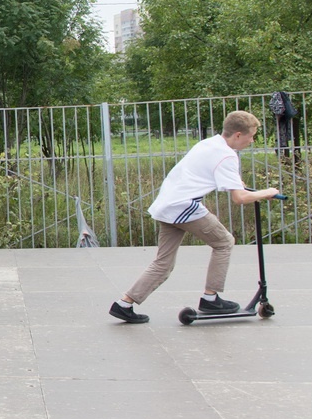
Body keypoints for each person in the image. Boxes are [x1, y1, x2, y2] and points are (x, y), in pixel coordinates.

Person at [109, 111, 280, 324]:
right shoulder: (227, 155)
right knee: (224, 242)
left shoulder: (209, 144)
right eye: (251, 136)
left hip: (168, 204)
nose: (252, 140)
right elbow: (240, 198)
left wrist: (238, 182)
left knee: (163, 263)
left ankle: (124, 304)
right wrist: (268, 192)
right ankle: (211, 298)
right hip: (183, 206)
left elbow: (215, 174)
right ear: (237, 135)